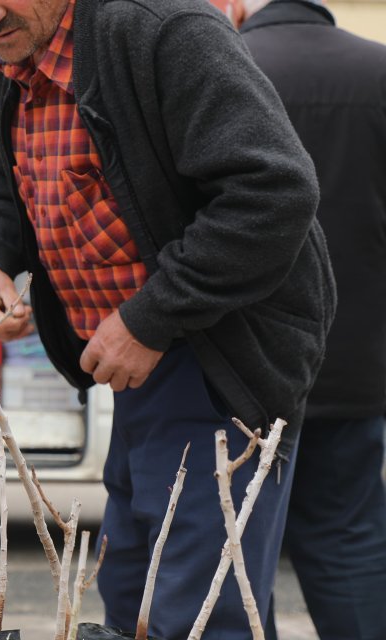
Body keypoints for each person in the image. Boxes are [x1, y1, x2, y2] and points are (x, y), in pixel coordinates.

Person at [0, 0, 336, 637]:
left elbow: (274, 191)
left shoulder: (166, 32)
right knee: (133, 592)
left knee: (199, 614)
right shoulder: (10, 54)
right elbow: (7, 165)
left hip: (218, 363)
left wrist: (148, 319)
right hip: (136, 371)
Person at [228, 2, 386, 637]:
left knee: (234, 551)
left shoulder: (219, 66)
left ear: (241, 6)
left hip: (237, 361)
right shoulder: (377, 71)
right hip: (354, 358)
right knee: (349, 536)